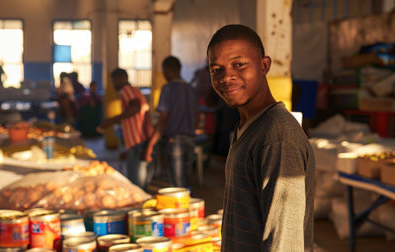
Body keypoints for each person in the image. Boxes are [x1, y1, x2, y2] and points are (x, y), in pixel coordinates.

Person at [207, 24, 315, 251]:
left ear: (264, 65)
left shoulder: (277, 138)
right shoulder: (248, 127)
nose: (227, 77)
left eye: (239, 65)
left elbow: (284, 244)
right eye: (216, 69)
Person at [143, 56, 198, 188]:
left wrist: (150, 145)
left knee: (177, 184)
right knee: (186, 180)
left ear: (168, 70)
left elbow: (163, 119)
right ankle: (187, 204)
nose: (164, 75)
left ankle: (184, 206)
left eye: (164, 71)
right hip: (190, 140)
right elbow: (198, 115)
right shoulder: (191, 88)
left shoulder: (168, 88)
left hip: (175, 141)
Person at [96, 68, 153, 189]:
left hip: (136, 139)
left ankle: (138, 203)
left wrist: (110, 121)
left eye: (114, 81)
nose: (113, 85)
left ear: (122, 79)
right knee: (140, 177)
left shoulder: (126, 90)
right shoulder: (134, 90)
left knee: (135, 180)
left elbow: (135, 108)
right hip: (140, 138)